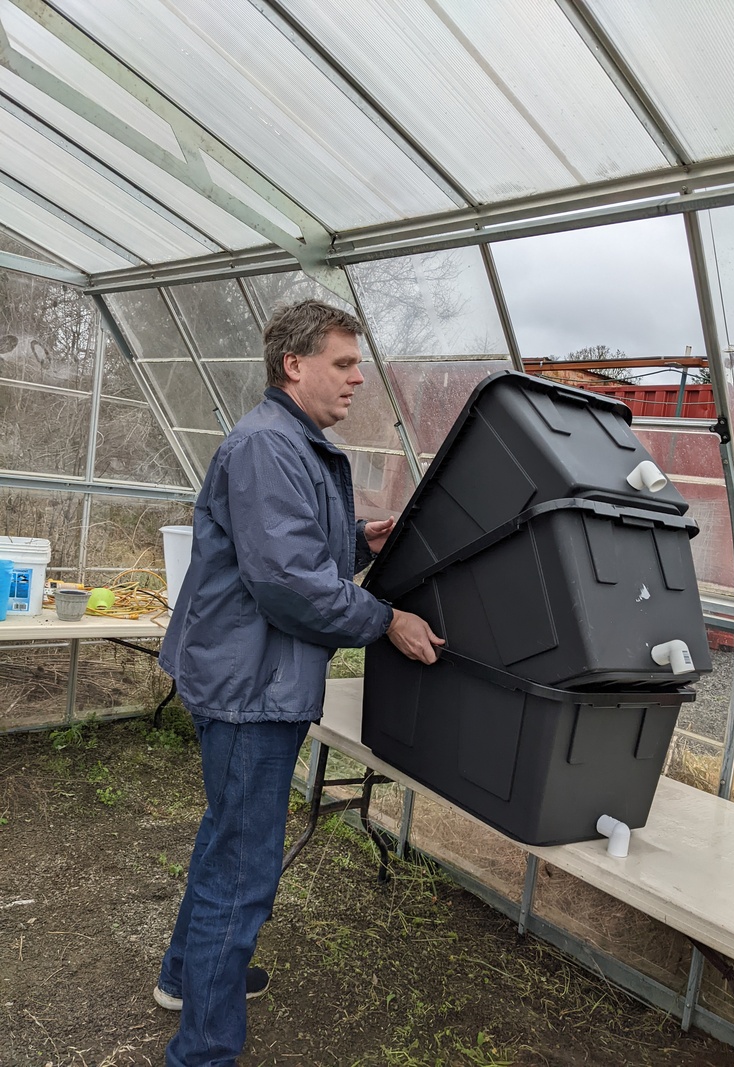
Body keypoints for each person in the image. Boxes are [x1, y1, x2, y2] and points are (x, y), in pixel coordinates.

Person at [154, 299, 444, 1066]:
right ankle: (204, 1049)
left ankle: (187, 975)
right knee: (244, 869)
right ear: (295, 364)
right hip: (249, 686)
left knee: (227, 837)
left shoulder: (295, 444)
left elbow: (294, 557)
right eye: (344, 364)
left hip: (248, 674)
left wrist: (354, 539)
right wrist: (384, 619)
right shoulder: (267, 446)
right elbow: (285, 581)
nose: (357, 380)